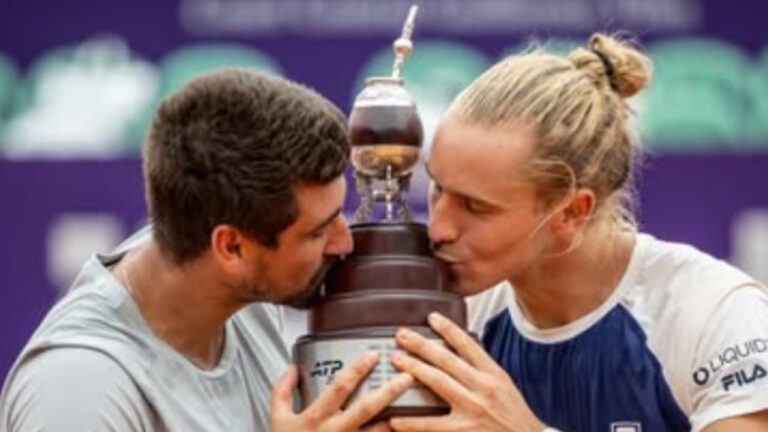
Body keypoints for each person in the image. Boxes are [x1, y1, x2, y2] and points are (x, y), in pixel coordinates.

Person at [387, 33, 768, 432]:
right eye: (437, 188)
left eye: (476, 207)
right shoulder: (453, 316)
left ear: (572, 210)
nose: (439, 229)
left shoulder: (714, 312)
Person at [0, 69, 412, 431]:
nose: (345, 241)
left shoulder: (236, 282)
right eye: (318, 232)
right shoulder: (77, 393)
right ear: (231, 247)